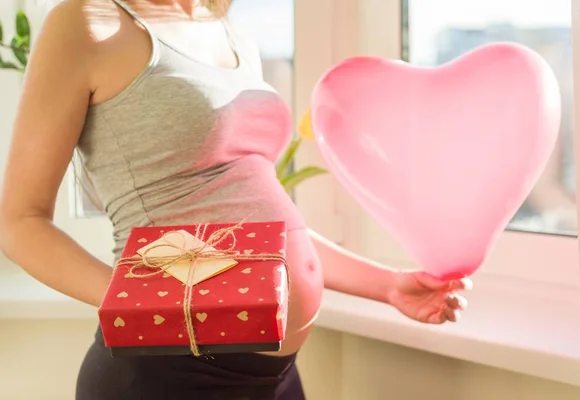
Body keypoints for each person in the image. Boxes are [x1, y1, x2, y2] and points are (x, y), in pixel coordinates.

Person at [0, 0, 470, 399]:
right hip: (170, 371)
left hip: (276, 377)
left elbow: (261, 227)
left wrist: (387, 285)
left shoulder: (228, 34)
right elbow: (20, 222)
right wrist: (152, 306)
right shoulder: (91, 21)